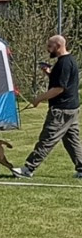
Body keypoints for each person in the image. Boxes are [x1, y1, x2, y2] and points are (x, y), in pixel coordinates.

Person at [12, 34, 82, 179]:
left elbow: (59, 88)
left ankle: (28, 169)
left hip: (61, 109)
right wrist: (49, 73)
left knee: (47, 138)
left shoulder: (64, 63)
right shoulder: (67, 61)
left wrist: (39, 99)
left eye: (50, 46)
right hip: (71, 108)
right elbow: (61, 82)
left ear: (58, 45)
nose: (48, 49)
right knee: (72, 141)